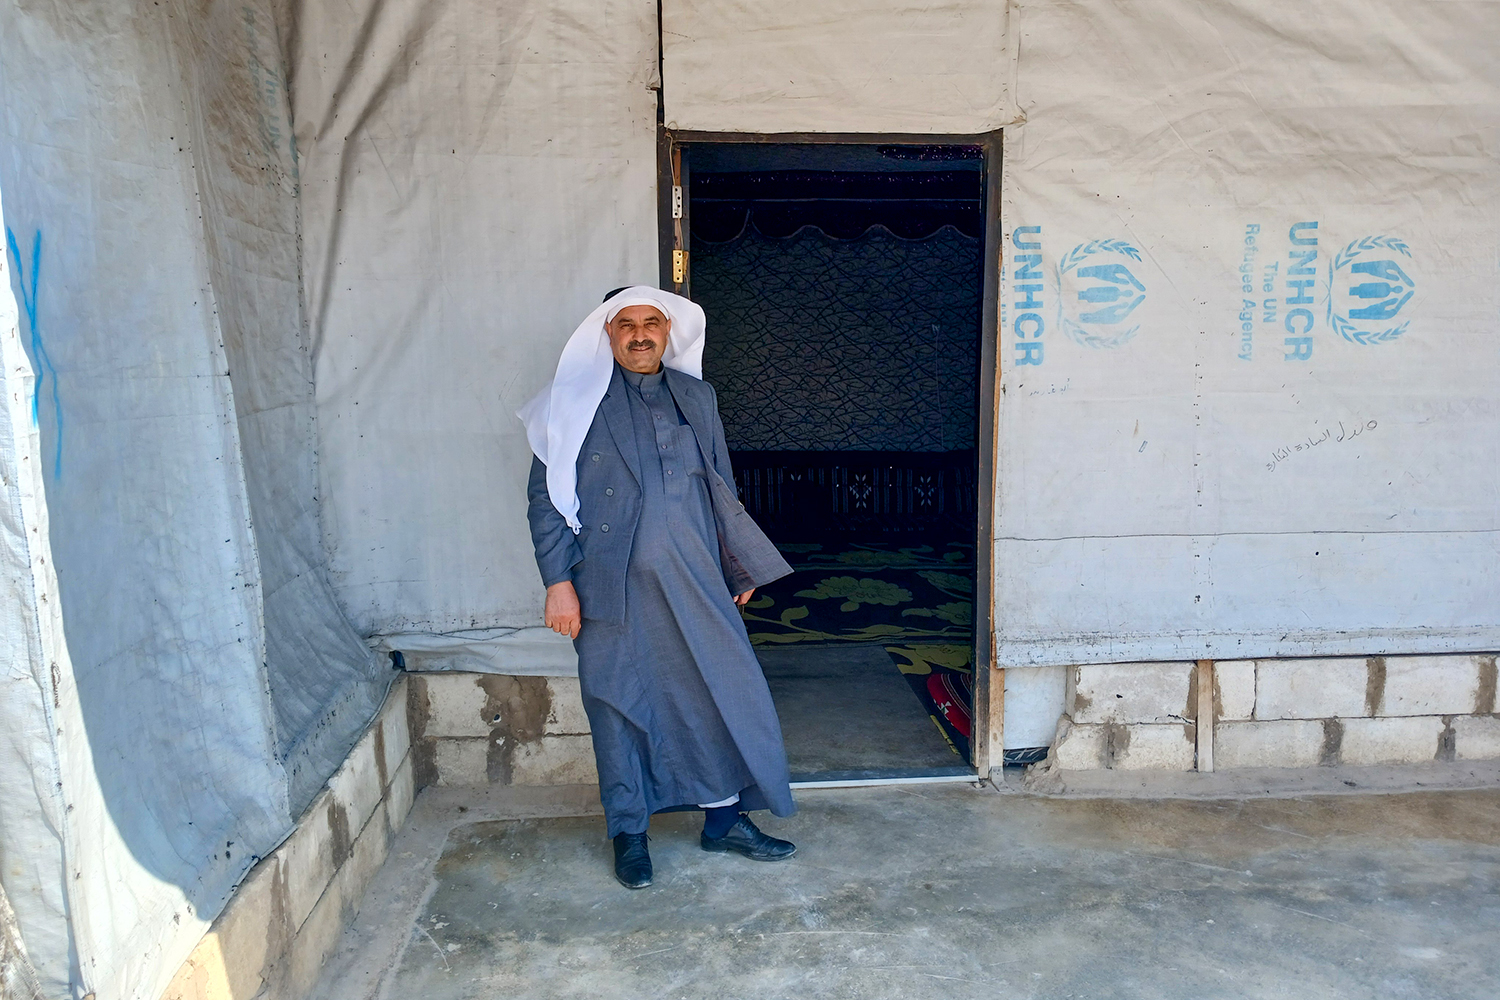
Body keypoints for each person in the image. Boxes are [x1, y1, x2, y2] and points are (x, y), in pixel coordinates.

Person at [517, 286, 797, 889]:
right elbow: (545, 502)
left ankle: (724, 818)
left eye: (652, 323)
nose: (640, 334)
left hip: (697, 577)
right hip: (608, 588)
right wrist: (557, 583)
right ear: (607, 333)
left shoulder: (697, 396)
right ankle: (629, 833)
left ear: (668, 333)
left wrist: (735, 563)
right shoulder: (570, 404)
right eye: (626, 324)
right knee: (620, 703)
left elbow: (720, 483)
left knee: (719, 691)